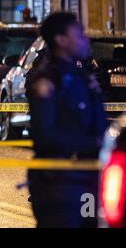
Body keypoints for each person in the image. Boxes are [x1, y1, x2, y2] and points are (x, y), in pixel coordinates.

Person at [26, 12, 108, 228]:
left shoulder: (83, 74)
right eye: (79, 35)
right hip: (60, 179)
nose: (85, 39)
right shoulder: (48, 79)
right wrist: (95, 143)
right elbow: (46, 134)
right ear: (61, 40)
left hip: (88, 176)